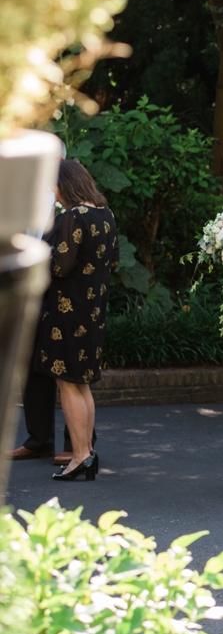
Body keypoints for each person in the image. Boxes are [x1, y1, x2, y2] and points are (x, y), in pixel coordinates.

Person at [31, 161, 119, 481]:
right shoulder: (106, 214)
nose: (51, 193)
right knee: (81, 383)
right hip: (94, 311)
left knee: (67, 383)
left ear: (65, 184)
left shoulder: (73, 217)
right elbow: (114, 260)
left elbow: (60, 267)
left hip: (67, 313)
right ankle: (87, 453)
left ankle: (80, 455)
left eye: (52, 186)